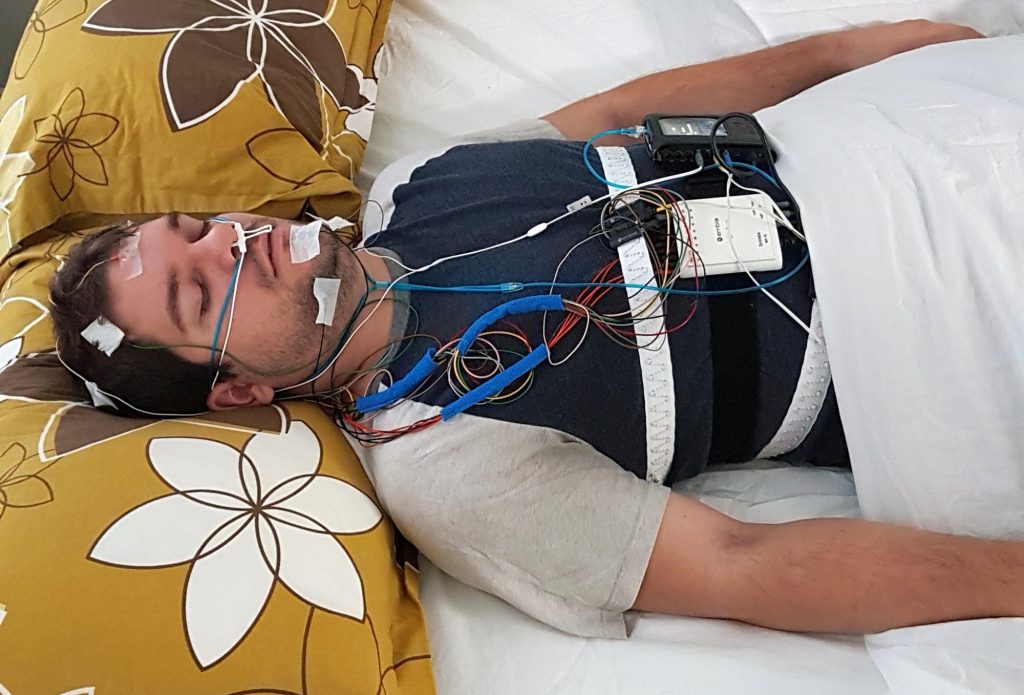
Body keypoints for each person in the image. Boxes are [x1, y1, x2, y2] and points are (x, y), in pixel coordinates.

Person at [50, 20, 1021, 640]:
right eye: (197, 291)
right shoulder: (443, 460)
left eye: (199, 228)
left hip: (882, 142)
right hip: (927, 323)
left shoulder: (421, 181)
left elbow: (622, 112)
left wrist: (844, 55)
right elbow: (740, 564)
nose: (234, 244)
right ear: (238, 390)